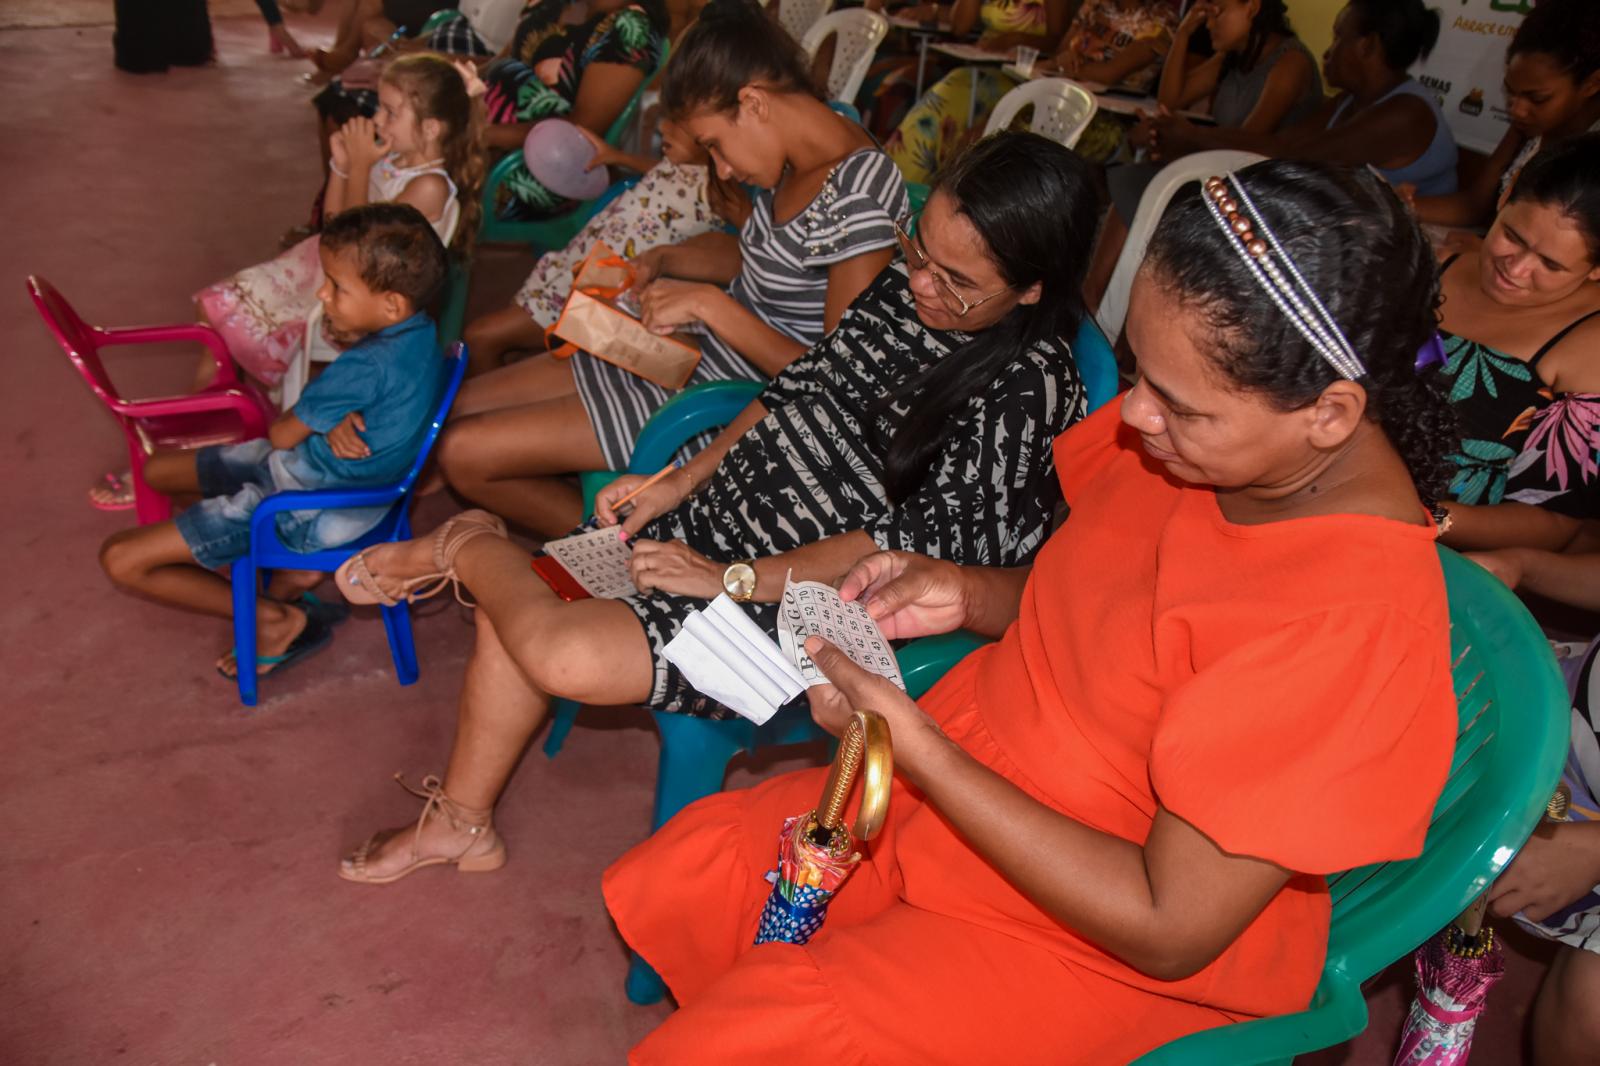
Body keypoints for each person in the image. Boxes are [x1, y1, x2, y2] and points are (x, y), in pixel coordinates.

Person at [602, 158, 1459, 1063]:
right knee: (711, 868)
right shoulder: (1210, 451)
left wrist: (917, 749)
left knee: (756, 1038)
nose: (1134, 415)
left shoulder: (1349, 623)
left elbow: (1167, 923)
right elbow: (1099, 597)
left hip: (1095, 937)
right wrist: (968, 590)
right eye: (1139, 371)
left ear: (1329, 412)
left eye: (1179, 403)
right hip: (976, 786)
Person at [329, 130, 1101, 885]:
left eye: (955, 279)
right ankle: (463, 824)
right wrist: (678, 481)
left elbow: (903, 550)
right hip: (714, 537)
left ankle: (462, 543)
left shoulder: (1028, 392)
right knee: (527, 605)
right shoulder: (907, 292)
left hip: (801, 604)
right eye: (917, 250)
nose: (922, 283)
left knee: (555, 645)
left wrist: (732, 578)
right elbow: (793, 392)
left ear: (1031, 288)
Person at [436, 0, 908, 536]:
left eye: (714, 145)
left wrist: (710, 304)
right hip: (689, 354)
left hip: (729, 398)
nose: (723, 169)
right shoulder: (795, 154)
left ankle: (629, 545)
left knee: (461, 453)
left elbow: (839, 379)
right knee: (453, 408)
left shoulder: (857, 193)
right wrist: (667, 262)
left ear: (752, 103)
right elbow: (768, 259)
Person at [97, 204, 452, 683]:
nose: (323, 294)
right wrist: (331, 421)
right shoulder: (422, 334)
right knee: (157, 471)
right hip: (319, 475)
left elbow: (281, 433)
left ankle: (273, 617)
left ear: (391, 305)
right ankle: (257, 573)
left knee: (119, 559)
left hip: (300, 507)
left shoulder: (362, 367)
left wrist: (321, 417)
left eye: (337, 286)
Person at [201, 55, 480, 390]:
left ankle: (209, 409)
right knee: (215, 315)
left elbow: (357, 247)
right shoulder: (392, 161)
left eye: (390, 113)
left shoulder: (429, 187)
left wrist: (361, 166)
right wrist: (343, 166)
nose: (377, 119)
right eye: (380, 107)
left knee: (221, 317)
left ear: (431, 128)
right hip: (326, 271)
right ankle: (215, 406)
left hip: (353, 300)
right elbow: (334, 229)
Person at [456, 117, 749, 373]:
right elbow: (659, 170)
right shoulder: (676, 165)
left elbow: (757, 235)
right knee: (513, 346)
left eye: (677, 121)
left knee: (480, 337)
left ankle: (493, 406)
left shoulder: (719, 189)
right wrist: (616, 157)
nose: (663, 126)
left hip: (590, 295)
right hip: (569, 270)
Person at [1084, 0, 1322, 309]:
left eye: (1217, 12)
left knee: (1147, 184)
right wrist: (1182, 35)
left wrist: (1183, 137)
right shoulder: (1233, 59)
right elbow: (1171, 100)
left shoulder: (1290, 62)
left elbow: (1248, 143)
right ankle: (1093, 299)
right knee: (1137, 181)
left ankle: (1104, 305)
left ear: (1251, 7)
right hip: (1220, 174)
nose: (1208, 23)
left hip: (1263, 193)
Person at [1431, 136, 1600, 548]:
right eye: (1513, 236)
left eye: (1551, 264)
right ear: (1505, 196)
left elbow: (1555, 522)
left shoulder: (1588, 347)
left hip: (1445, 552)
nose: (1518, 269)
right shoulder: (1429, 268)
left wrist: (1418, 518)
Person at [1143, 0, 1457, 196]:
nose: (1326, 52)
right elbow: (1284, 143)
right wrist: (1184, 136)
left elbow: (1294, 153)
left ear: (1368, 46)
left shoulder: (1405, 113)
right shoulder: (1349, 100)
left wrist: (1193, 137)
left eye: (1338, 38)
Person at [1409, 0, 1600, 234]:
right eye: (1510, 91)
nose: (1517, 109)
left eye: (1537, 98)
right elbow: (1473, 205)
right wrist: (1399, 204)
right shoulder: (1528, 126)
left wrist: (1479, 251)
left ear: (1592, 84)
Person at [477, 0, 670, 221]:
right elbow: (498, 64)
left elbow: (581, 130)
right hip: (481, 138)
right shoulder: (555, 5)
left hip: (537, 171)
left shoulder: (631, 28)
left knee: (435, 174)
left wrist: (483, 135)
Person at [884, 0, 1072, 184]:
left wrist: (1016, 40)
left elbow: (1058, 41)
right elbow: (960, 27)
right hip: (980, 71)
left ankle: (916, 188)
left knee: (957, 107)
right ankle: (897, 181)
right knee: (941, 102)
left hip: (1024, 79)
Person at [1031, 0, 1180, 162]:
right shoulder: (1094, 5)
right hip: (1063, 103)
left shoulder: (1161, 18)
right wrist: (1060, 62)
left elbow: (1110, 74)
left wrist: (1068, 66)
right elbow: (1059, 56)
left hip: (1114, 119)